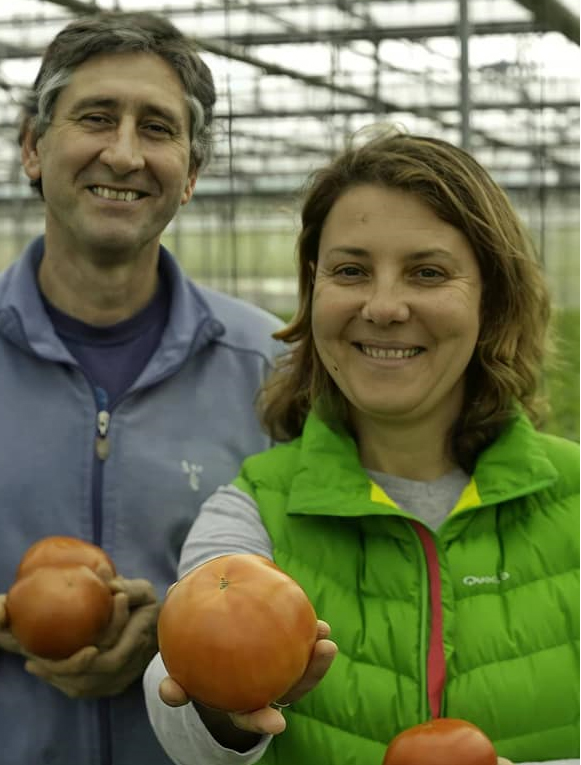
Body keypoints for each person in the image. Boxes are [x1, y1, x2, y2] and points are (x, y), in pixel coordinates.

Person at [0, 11, 285, 765]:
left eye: (157, 128)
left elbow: (321, 592)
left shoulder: (269, 369)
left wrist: (179, 634)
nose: (124, 153)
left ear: (190, 174)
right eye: (96, 118)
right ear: (33, 148)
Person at [144, 128, 580, 765]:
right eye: (351, 271)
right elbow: (177, 705)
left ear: (491, 298)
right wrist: (224, 707)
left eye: (427, 272)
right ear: (314, 291)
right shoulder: (252, 511)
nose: (383, 306)